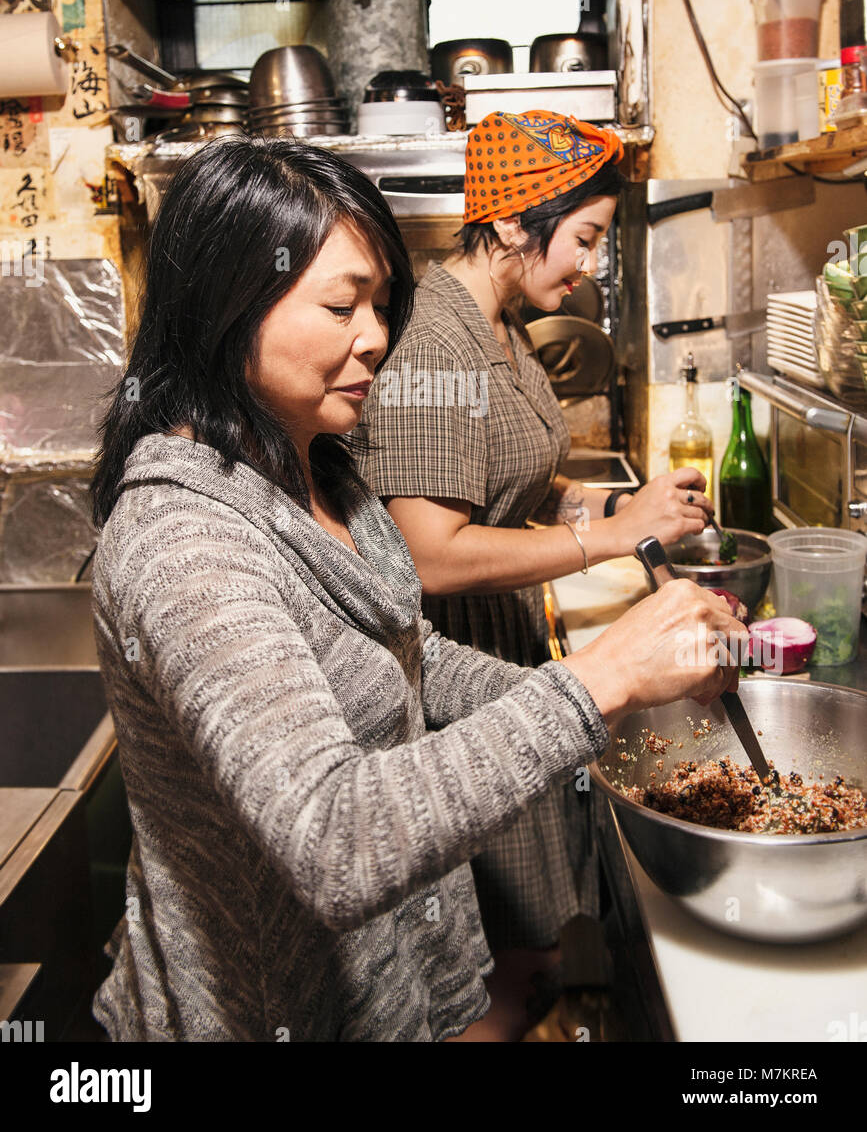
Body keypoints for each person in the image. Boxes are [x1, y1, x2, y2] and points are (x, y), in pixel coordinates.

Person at [88, 136, 742, 1042]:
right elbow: (334, 839)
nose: (377, 338)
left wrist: (625, 688)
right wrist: (597, 682)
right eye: (341, 305)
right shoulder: (184, 542)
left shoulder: (316, 469)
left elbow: (411, 660)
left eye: (380, 305)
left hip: (390, 996)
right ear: (226, 307)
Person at [355, 111, 715, 960]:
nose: (589, 263)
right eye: (583, 238)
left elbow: (492, 467)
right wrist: (614, 536)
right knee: (501, 961)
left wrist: (574, 499)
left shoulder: (499, 322)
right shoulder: (433, 344)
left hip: (503, 639)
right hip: (447, 678)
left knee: (535, 944)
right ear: (514, 224)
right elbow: (430, 553)